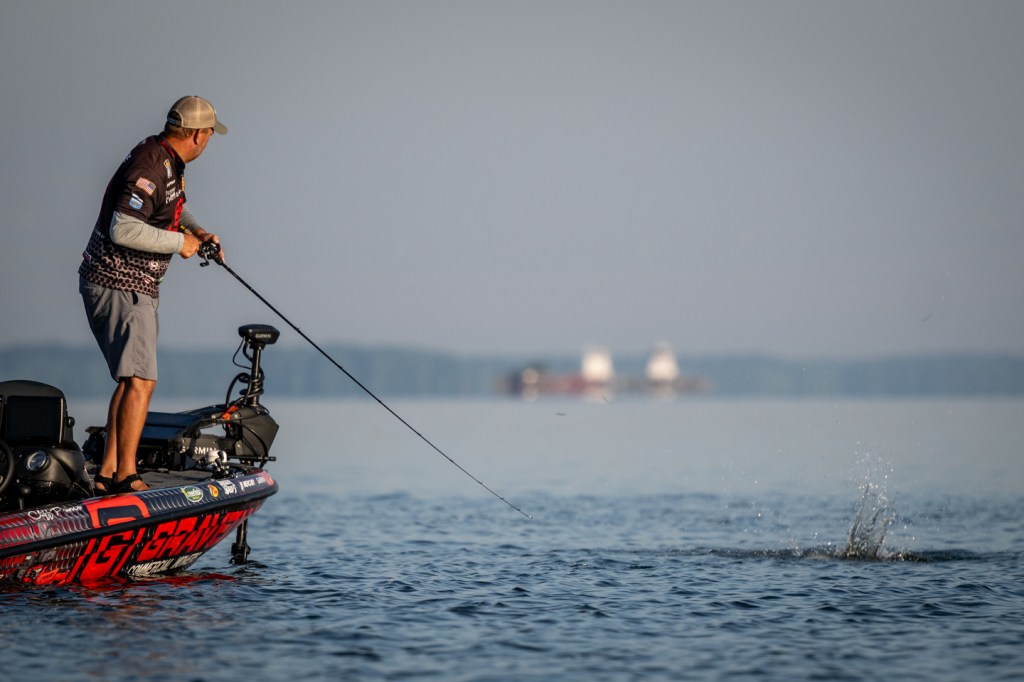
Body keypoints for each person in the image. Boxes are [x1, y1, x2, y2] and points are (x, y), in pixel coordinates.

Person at [79, 96, 227, 494]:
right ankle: (127, 477)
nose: (208, 141)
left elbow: (173, 206)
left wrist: (197, 232)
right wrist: (180, 243)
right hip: (119, 283)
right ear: (198, 135)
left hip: (133, 286)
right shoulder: (150, 165)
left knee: (132, 379)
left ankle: (109, 471)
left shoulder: (167, 160)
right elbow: (123, 228)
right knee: (142, 380)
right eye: (210, 134)